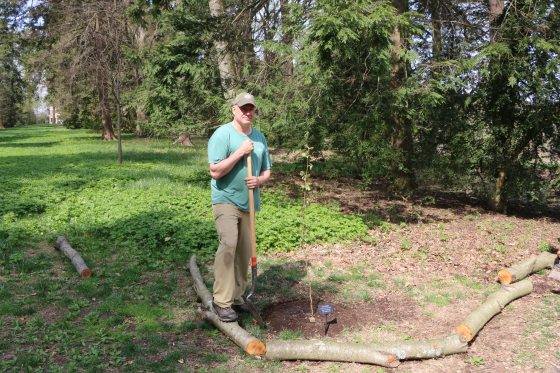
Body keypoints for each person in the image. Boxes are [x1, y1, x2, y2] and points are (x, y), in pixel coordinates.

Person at [207, 92, 272, 322]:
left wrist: (260, 180)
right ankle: (221, 302)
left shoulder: (260, 137)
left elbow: (267, 170)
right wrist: (239, 153)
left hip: (250, 203)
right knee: (229, 244)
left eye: (251, 108)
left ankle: (236, 297)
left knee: (244, 250)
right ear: (234, 109)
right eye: (243, 108)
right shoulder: (222, 134)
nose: (247, 112)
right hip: (226, 199)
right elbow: (215, 171)